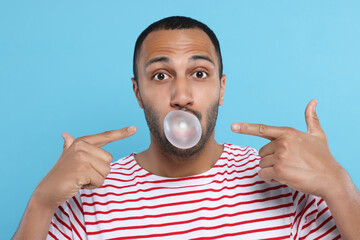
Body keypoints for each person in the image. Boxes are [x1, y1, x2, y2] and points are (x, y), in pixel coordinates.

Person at [13, 16, 360, 240]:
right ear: (138, 92)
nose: (181, 96)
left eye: (199, 73)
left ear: (221, 88)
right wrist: (40, 203)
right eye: (161, 76)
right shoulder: (90, 197)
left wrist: (338, 185)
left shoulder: (282, 180)